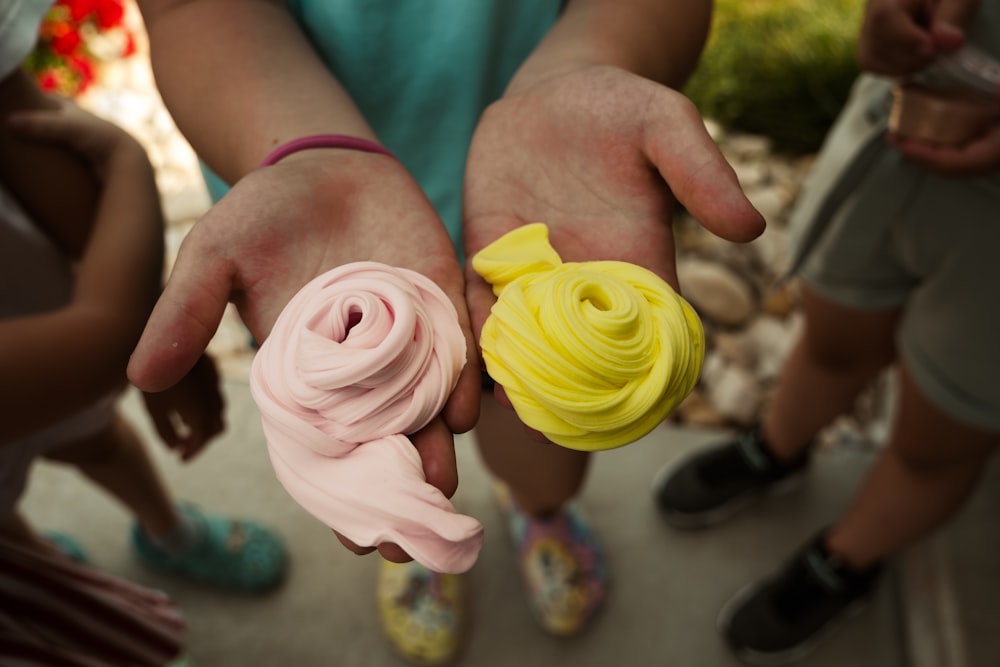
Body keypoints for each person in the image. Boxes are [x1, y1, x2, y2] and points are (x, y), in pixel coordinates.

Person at [126, 0, 765, 662]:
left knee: (547, 433)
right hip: (317, 217)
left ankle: (542, 510)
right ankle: (417, 539)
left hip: (551, 196)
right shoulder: (324, 315)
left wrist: (592, 58)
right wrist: (309, 145)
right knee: (395, 450)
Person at [653, 0, 1000, 663]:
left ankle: (846, 559)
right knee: (834, 331)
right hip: (890, 138)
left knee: (942, 438)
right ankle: (777, 448)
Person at [0, 0, 287, 597]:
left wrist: (153, 337)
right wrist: (125, 164)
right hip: (67, 341)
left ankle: (160, 535)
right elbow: (104, 336)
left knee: (92, 437)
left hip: (42, 316)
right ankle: (55, 578)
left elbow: (18, 122)